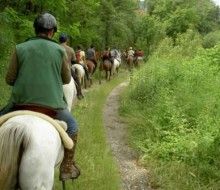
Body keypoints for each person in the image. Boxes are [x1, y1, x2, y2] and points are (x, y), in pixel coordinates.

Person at [0, 12, 80, 181]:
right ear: (52, 31)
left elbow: (9, 79)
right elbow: (66, 79)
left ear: (36, 29)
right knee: (72, 126)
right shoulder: (60, 50)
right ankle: (66, 167)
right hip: (52, 107)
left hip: (19, 104)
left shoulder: (20, 48)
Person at [59, 33, 84, 99]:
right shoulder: (70, 49)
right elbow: (73, 61)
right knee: (76, 78)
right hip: (67, 69)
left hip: (55, 68)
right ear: (66, 40)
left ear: (59, 40)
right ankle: (79, 93)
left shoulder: (55, 47)